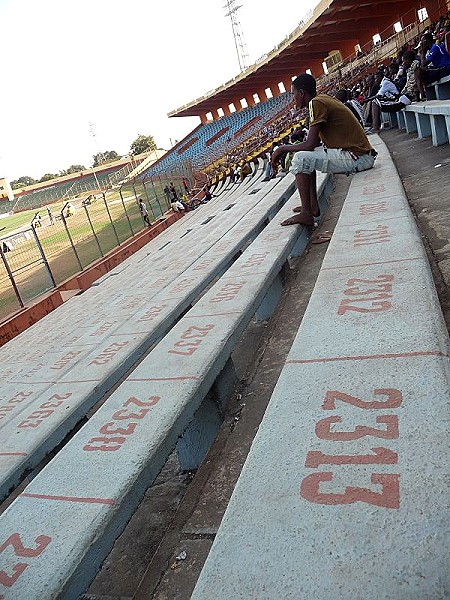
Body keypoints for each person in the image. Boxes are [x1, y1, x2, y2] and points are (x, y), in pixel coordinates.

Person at [271, 73, 376, 227]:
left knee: (301, 158)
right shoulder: (321, 99)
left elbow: (310, 144)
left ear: (301, 93)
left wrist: (281, 148)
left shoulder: (316, 103)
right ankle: (311, 206)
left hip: (358, 157)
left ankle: (307, 213)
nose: (293, 99)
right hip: (359, 155)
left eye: (294, 94)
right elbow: (314, 145)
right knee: (306, 157)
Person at [418, 32, 450, 97]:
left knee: (419, 72)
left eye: (422, 42)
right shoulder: (434, 47)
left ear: (426, 41)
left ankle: (423, 94)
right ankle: (424, 93)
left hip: (445, 68)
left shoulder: (435, 48)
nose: (421, 44)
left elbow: (423, 64)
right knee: (420, 72)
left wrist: (422, 53)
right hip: (443, 68)